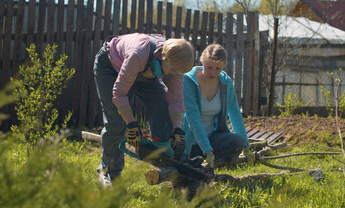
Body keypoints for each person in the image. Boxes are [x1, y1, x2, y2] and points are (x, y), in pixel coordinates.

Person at [93, 33, 195, 188]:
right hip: (110, 67)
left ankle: (165, 161)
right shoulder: (138, 54)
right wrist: (132, 125)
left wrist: (177, 129)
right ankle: (108, 172)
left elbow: (176, 100)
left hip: (145, 70)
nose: (175, 74)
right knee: (116, 122)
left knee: (162, 106)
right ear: (163, 55)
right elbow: (119, 94)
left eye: (179, 72)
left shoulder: (175, 65)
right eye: (173, 69)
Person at [181, 44, 254, 169]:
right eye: (209, 67)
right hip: (191, 142)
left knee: (238, 142)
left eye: (218, 69)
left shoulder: (225, 83)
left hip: (212, 138)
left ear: (223, 66)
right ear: (202, 62)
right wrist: (207, 150)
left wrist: (246, 147)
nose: (213, 73)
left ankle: (213, 162)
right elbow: (193, 118)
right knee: (188, 167)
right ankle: (199, 159)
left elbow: (235, 114)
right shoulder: (188, 81)